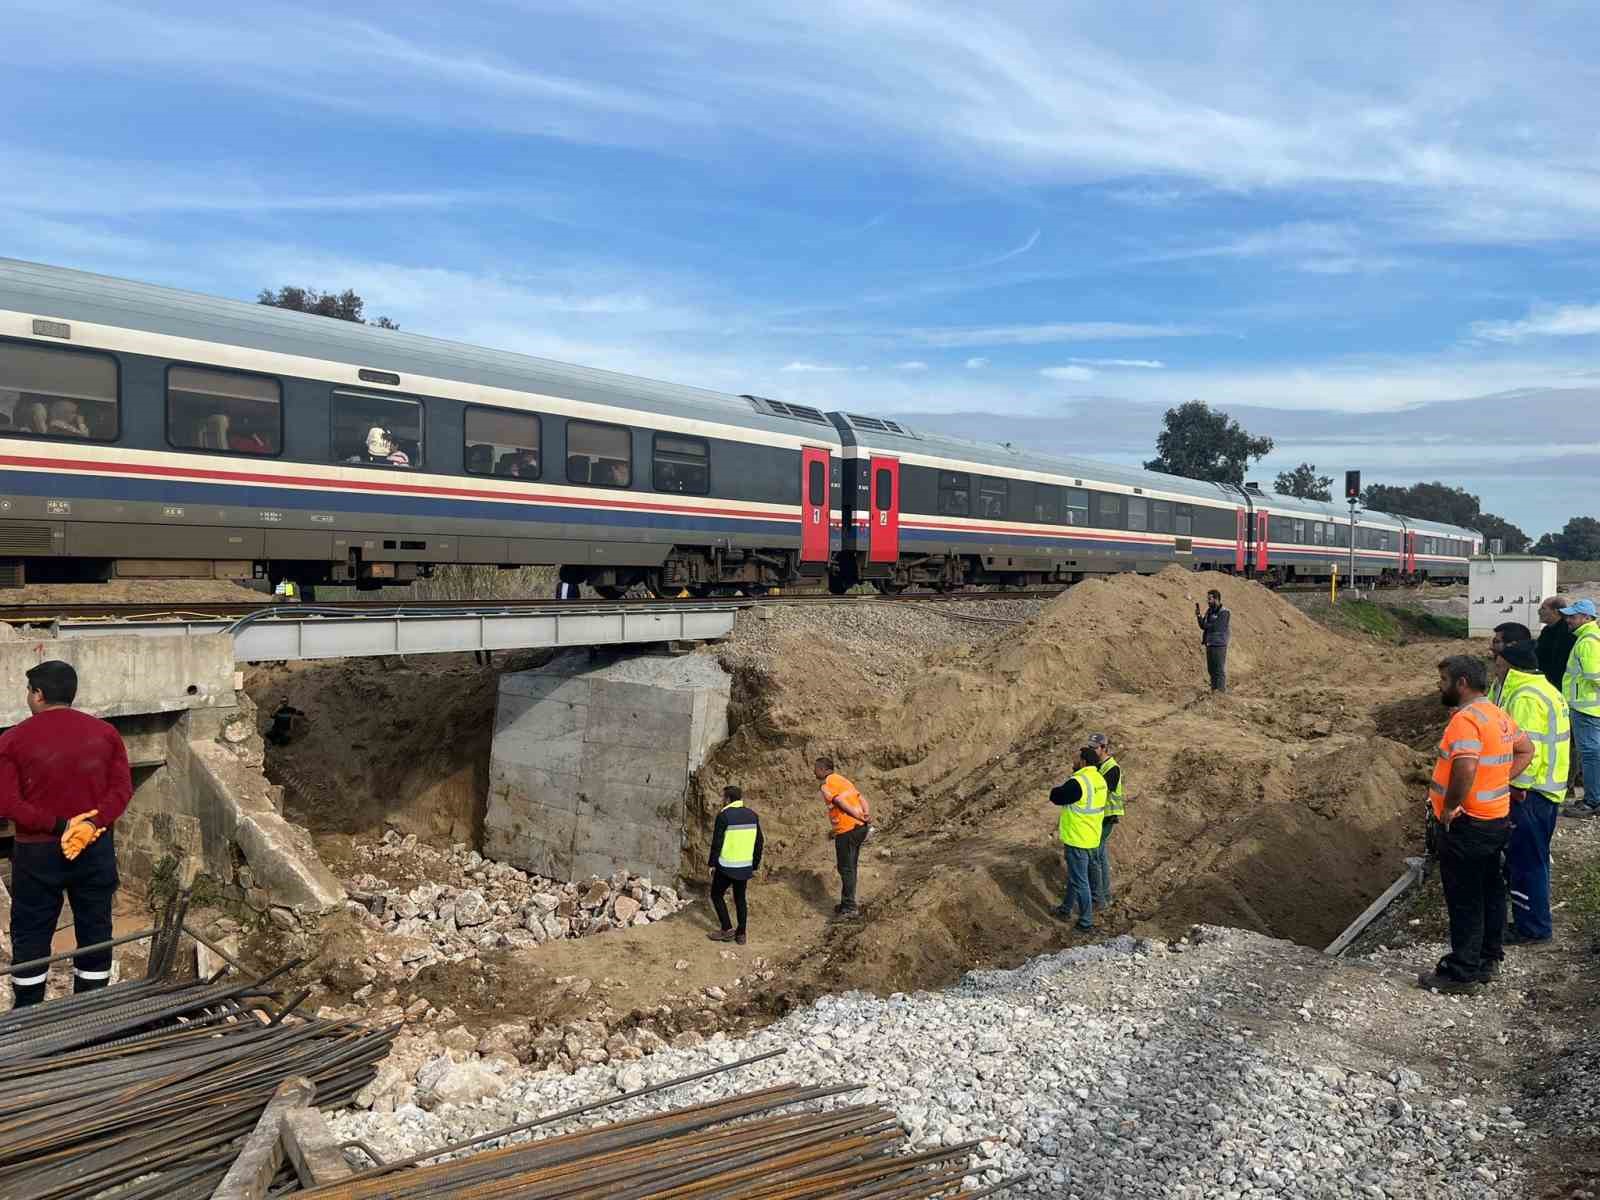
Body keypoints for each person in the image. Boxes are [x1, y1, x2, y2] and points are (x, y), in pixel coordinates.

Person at [0, 661, 133, 1007]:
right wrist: (90, 824)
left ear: (38, 694)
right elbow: (121, 791)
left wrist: (59, 825)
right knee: (95, 927)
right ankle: (90, 1010)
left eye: (29, 691)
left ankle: (29, 1014)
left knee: (32, 932)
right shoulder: (106, 735)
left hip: (37, 853)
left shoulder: (13, 739)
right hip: (93, 846)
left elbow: (7, 803)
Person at [1418, 654, 1533, 993]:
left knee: (1465, 897)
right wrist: (1500, 781)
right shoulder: (1497, 715)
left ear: (1461, 683)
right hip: (1495, 819)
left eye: (1443, 681)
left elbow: (1466, 768)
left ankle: (1462, 972)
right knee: (1491, 891)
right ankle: (1487, 959)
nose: (1440, 687)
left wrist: (1451, 806)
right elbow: (1527, 750)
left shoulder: (1464, 721)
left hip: (1467, 825)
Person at [1491, 640, 1569, 943]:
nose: (1494, 668)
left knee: (1526, 862)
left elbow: (1527, 750)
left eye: (1497, 662)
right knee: (1533, 859)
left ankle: (1533, 927)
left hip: (1531, 793)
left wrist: (1516, 787)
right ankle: (1533, 921)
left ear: (1507, 665)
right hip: (1546, 790)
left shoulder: (1524, 697)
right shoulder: (1545, 688)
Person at [1048, 746, 1108, 931]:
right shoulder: (1099, 779)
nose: (1073, 762)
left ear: (1083, 762)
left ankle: (1086, 921)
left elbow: (1056, 796)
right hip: (1092, 837)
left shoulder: (1079, 782)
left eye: (1076, 759)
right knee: (1076, 877)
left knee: (1080, 881)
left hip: (1078, 838)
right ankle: (1066, 908)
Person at [707, 784, 763, 945]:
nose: (722, 801)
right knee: (740, 899)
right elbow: (759, 842)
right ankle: (741, 934)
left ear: (728, 799)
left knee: (716, 895)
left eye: (723, 798)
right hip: (744, 866)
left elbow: (717, 842)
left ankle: (727, 929)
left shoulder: (724, 816)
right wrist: (754, 864)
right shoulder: (752, 815)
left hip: (726, 866)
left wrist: (712, 863)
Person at [814, 756, 870, 918]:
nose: (814, 772)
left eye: (816, 768)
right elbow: (861, 798)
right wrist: (865, 815)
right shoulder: (844, 780)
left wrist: (857, 816)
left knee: (846, 868)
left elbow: (839, 802)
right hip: (860, 829)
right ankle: (847, 903)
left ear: (823, 770)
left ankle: (850, 907)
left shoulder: (826, 785)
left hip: (847, 829)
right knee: (851, 867)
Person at [1562, 599, 1600, 815]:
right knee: (1593, 753)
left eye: (1573, 616)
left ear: (1587, 618)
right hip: (1589, 706)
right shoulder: (1590, 637)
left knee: (1590, 754)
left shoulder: (1588, 641)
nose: (1568, 620)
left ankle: (1592, 801)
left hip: (1586, 707)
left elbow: (1595, 676)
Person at [1085, 733, 1124, 911]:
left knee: (1094, 856)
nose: (1091, 751)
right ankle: (1105, 896)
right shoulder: (1099, 766)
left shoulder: (1112, 768)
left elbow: (1101, 791)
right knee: (1100, 856)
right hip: (1099, 817)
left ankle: (1098, 899)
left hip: (1107, 817)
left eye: (1094, 748)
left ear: (1103, 748)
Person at [1536, 596, 1577, 693]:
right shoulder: (1547, 630)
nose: (1539, 611)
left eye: (1543, 608)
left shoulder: (1567, 632)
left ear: (1555, 611)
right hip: (1546, 683)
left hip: (1560, 687)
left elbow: (1561, 662)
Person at [1488, 622, 1533, 703]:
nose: (1491, 647)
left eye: (1496, 642)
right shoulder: (1499, 680)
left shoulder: (1527, 696)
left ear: (1512, 646)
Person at [1196, 588, 1231, 693]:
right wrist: (1198, 616)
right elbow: (1203, 626)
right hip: (1210, 644)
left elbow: (1217, 627)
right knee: (1211, 670)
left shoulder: (1224, 612)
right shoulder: (1209, 611)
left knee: (1218, 670)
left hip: (1219, 644)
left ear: (1216, 599)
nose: (1208, 601)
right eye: (1208, 599)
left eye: (1210, 599)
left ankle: (1220, 693)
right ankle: (1214, 691)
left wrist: (1208, 625)